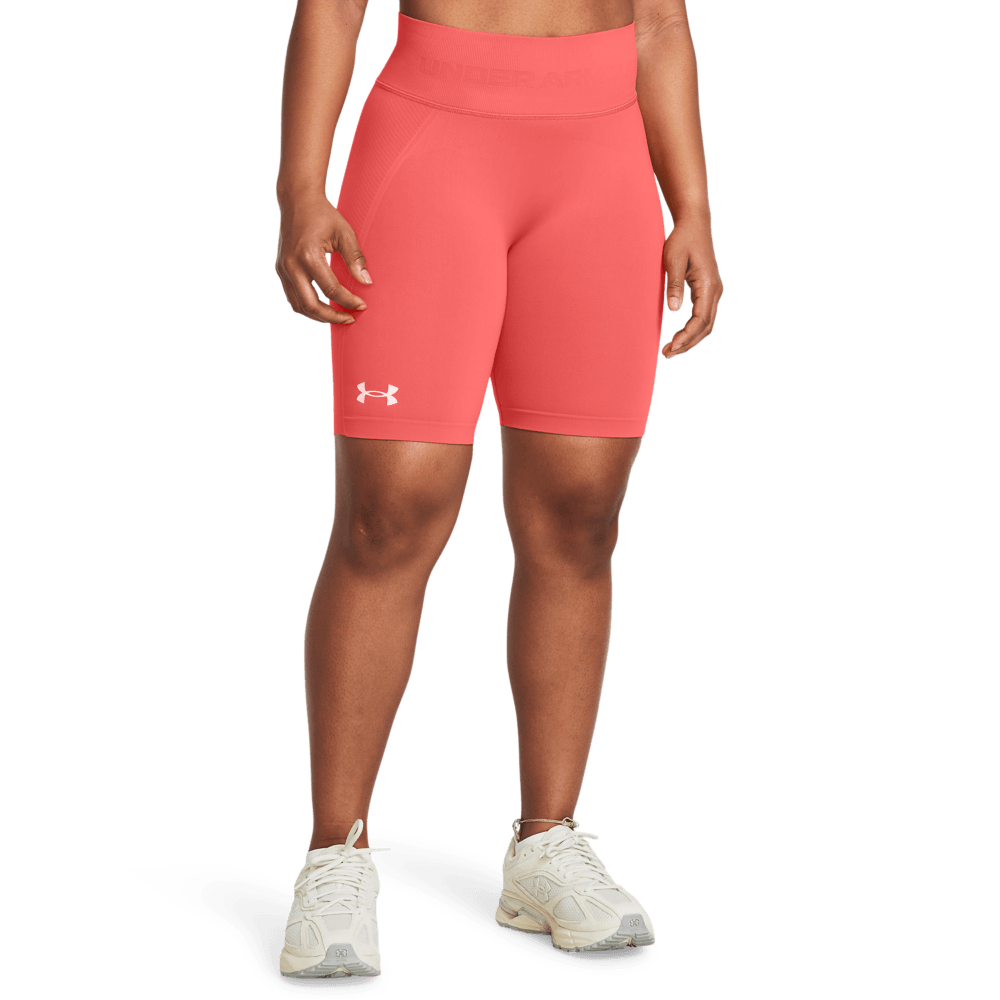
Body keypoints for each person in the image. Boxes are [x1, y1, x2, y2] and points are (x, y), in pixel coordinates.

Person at [274, 0, 722, 979]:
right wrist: (301, 188)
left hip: (601, 162)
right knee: (390, 511)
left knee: (580, 512)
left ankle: (545, 845)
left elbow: (659, 22)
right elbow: (334, 7)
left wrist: (691, 204)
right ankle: (334, 855)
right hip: (431, 144)